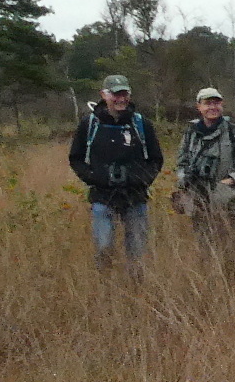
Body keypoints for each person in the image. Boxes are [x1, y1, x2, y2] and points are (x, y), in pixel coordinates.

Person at [68, 74, 163, 271]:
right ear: (103, 94)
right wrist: (94, 177)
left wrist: (142, 179)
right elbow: (76, 158)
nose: (121, 99)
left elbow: (156, 159)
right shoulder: (89, 125)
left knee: (137, 254)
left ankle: (136, 290)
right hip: (102, 197)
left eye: (124, 93)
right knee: (104, 249)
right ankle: (106, 290)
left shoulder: (142, 124)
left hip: (135, 197)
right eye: (115, 94)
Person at [173, 86, 235, 259]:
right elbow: (181, 164)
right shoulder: (191, 134)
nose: (212, 107)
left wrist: (230, 181)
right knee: (205, 255)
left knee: (231, 256)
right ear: (199, 107)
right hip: (199, 205)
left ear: (222, 105)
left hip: (230, 206)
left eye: (216, 103)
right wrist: (184, 179)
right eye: (207, 103)